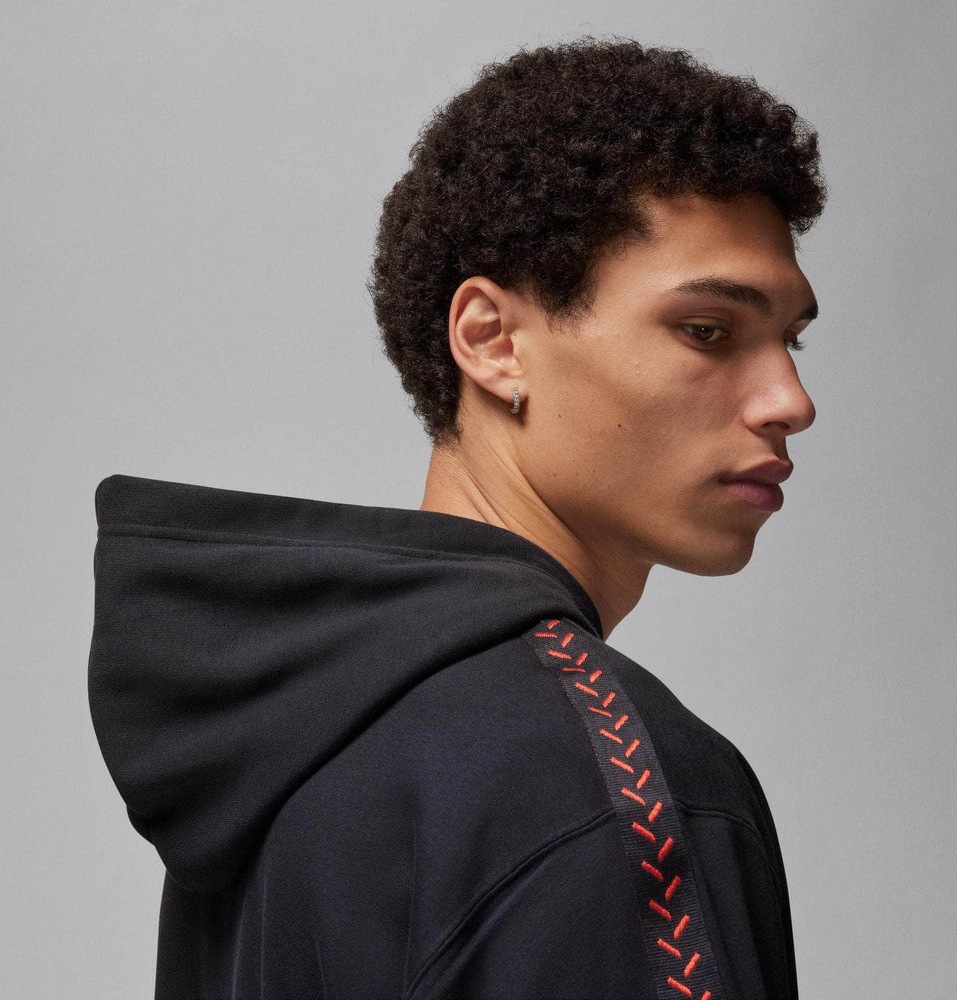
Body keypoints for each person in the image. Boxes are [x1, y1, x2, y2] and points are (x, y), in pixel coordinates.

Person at [88, 35, 825, 1000]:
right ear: (493, 341)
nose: (790, 400)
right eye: (707, 331)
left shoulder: (296, 743)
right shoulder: (611, 785)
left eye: (792, 339)